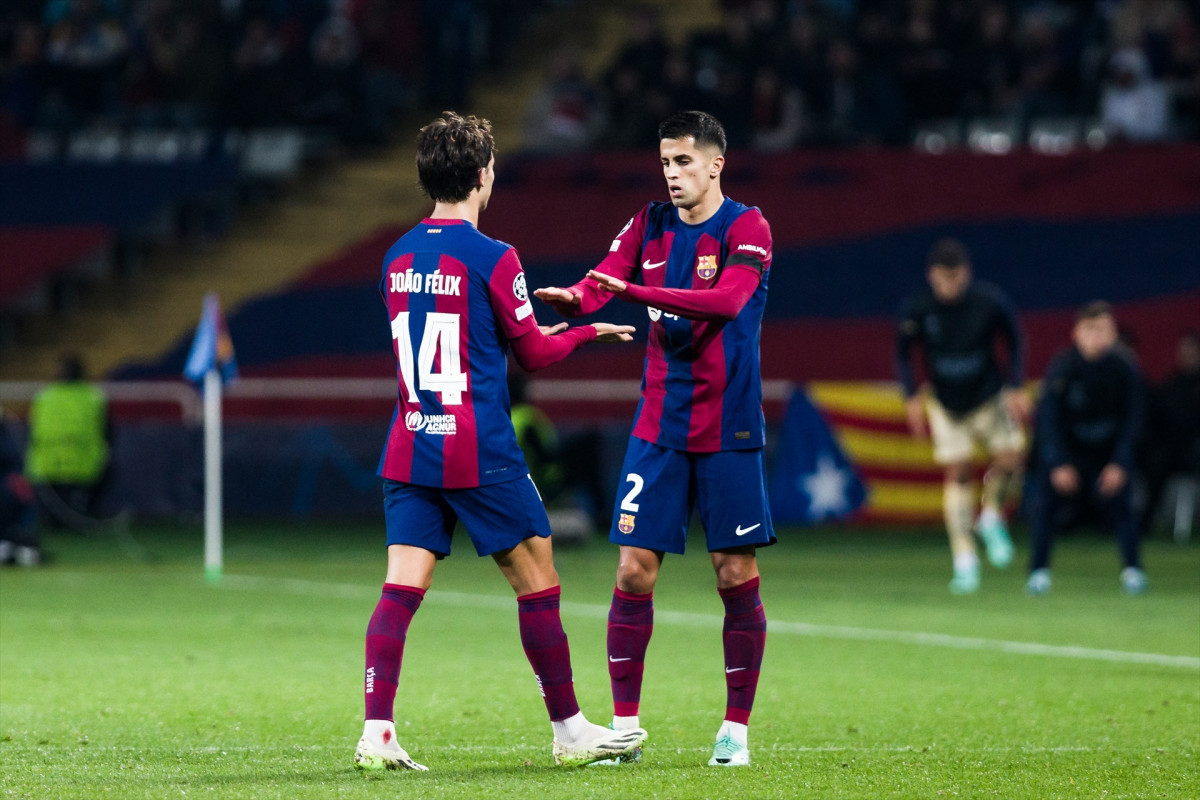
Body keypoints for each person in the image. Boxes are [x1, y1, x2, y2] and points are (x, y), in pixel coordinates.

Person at [353, 111, 647, 772]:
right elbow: (534, 355)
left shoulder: (396, 254)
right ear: (485, 176)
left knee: (401, 585)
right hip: (477, 447)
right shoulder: (494, 256)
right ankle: (570, 730)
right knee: (538, 577)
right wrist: (586, 333)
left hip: (410, 441)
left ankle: (378, 730)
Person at [535, 110, 773, 767]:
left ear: (716, 164)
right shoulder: (648, 225)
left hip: (729, 427)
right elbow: (602, 277)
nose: (673, 174)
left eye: (685, 162)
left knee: (733, 572)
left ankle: (735, 730)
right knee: (633, 571)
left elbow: (726, 302)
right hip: (659, 427)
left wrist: (637, 289)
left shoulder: (747, 227)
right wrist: (573, 300)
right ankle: (625, 727)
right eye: (666, 161)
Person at [895, 238, 1027, 594]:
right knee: (959, 471)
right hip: (945, 402)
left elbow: (1013, 337)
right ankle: (964, 558)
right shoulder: (919, 308)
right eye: (943, 278)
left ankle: (991, 516)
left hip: (988, 396)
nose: (949, 286)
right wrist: (911, 397)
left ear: (966, 274)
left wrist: (1015, 385)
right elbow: (904, 352)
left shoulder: (989, 302)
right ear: (932, 276)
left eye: (955, 278)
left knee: (1012, 459)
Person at [1026, 301, 1147, 595]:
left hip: (1108, 453)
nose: (1097, 336)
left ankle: (1133, 571)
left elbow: (1134, 420)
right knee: (1045, 506)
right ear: (1076, 333)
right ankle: (1038, 573)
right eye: (1090, 329)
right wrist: (1057, 463)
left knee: (1124, 507)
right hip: (1069, 453)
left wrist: (1120, 463)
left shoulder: (1125, 368)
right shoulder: (1062, 368)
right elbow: (1048, 421)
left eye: (1103, 329)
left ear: (1113, 333)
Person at [24, 353, 113, 521]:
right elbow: (109, 434)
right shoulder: (94, 397)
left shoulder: (44, 396)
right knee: (109, 468)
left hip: (45, 467)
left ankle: (50, 516)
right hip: (84, 466)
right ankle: (86, 513)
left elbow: (31, 433)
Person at [1140, 331, 1200, 533]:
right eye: (1184, 351)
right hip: (1175, 451)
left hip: (1195, 449)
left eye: (1192, 351)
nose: (1187, 355)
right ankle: (1146, 522)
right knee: (1156, 462)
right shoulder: (1173, 383)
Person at [0, 408, 40, 567]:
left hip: (7, 487)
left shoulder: (9, 434)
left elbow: (16, 462)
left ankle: (15, 542)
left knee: (18, 492)